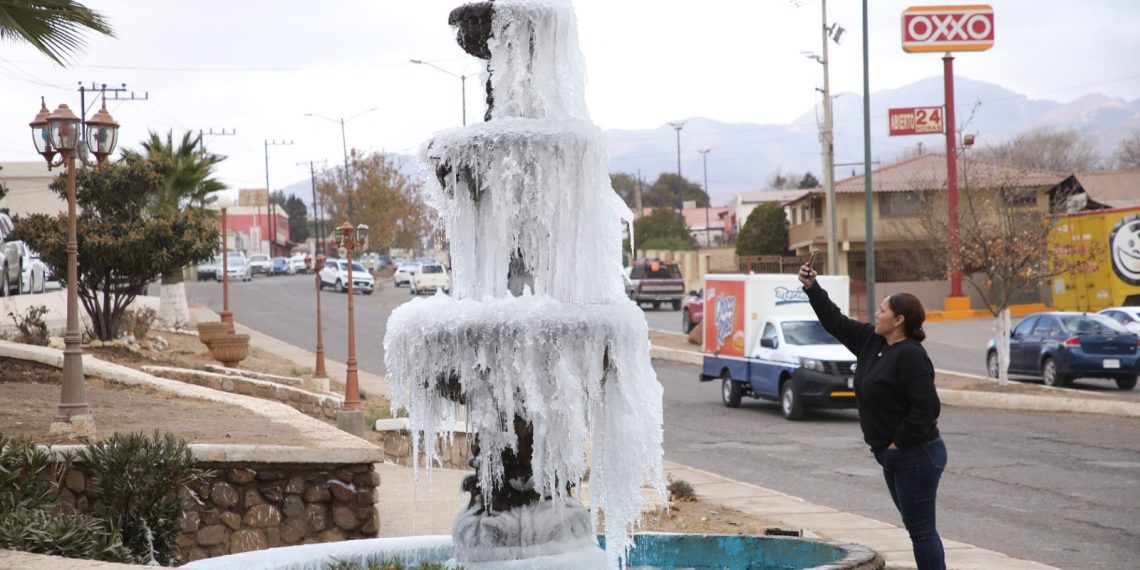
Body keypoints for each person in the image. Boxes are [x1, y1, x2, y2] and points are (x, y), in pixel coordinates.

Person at [798, 262, 947, 570]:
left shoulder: (910, 355)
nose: (876, 314)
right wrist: (812, 287)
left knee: (921, 532)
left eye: (882, 310)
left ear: (899, 320)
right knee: (916, 529)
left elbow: (927, 407)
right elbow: (834, 321)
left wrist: (897, 446)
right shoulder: (872, 341)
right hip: (893, 455)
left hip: (915, 454)